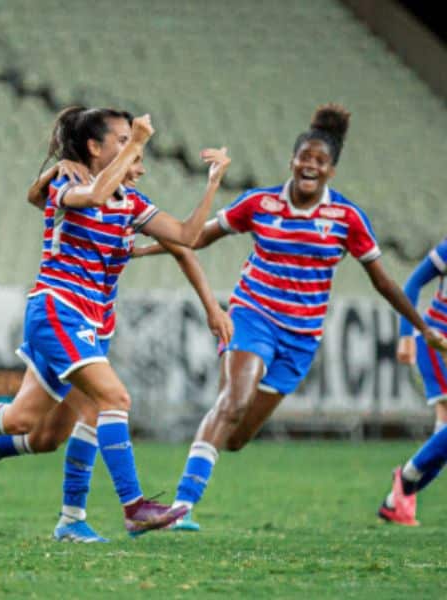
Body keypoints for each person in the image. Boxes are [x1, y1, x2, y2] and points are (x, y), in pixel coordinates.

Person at [0, 106, 231, 537]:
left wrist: (212, 184)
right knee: (114, 399)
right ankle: (133, 507)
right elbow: (89, 197)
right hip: (58, 311)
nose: (134, 156)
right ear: (93, 147)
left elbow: (186, 237)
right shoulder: (69, 181)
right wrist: (140, 141)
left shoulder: (132, 203)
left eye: (132, 144)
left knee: (27, 424)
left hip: (93, 322)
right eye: (122, 143)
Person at [130, 104, 447, 531]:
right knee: (233, 402)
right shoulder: (258, 203)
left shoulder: (347, 219)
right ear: (292, 160)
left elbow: (385, 282)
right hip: (252, 315)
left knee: (237, 437)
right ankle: (182, 506)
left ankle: (206, 454)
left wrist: (422, 326)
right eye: (304, 157)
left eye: (320, 161)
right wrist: (148, 247)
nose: (310, 165)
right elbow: (199, 237)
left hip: (301, 338)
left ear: (331, 171)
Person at [377, 236, 447, 526]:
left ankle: (394, 502)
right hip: (436, 339)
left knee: (442, 436)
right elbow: (413, 284)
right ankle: (406, 480)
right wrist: (406, 334)